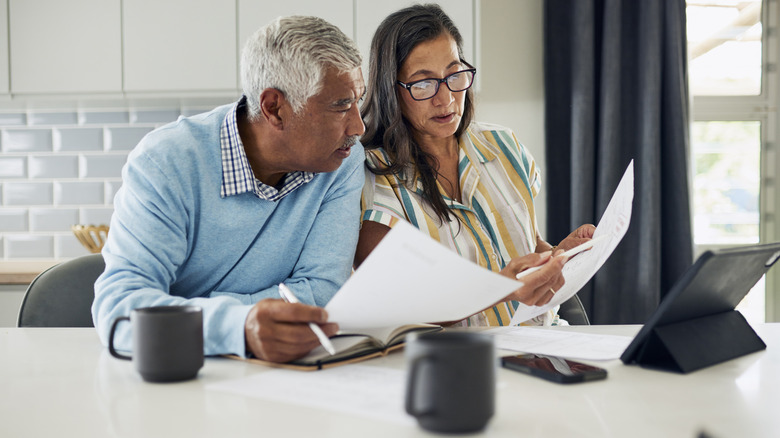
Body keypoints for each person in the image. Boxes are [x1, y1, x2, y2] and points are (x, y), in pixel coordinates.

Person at [93, 16, 366, 363]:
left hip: (281, 375)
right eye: (341, 105)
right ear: (274, 109)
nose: (358, 125)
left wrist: (198, 316)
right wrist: (239, 327)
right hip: (178, 373)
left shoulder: (342, 160)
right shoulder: (166, 162)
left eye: (359, 100)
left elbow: (321, 294)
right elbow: (120, 309)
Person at [356, 4, 595, 326]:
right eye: (423, 84)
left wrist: (557, 256)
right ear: (391, 90)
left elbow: (528, 242)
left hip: (545, 342)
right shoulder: (370, 180)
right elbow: (398, 305)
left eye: (454, 75)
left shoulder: (504, 146)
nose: (446, 99)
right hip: (458, 361)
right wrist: (503, 289)